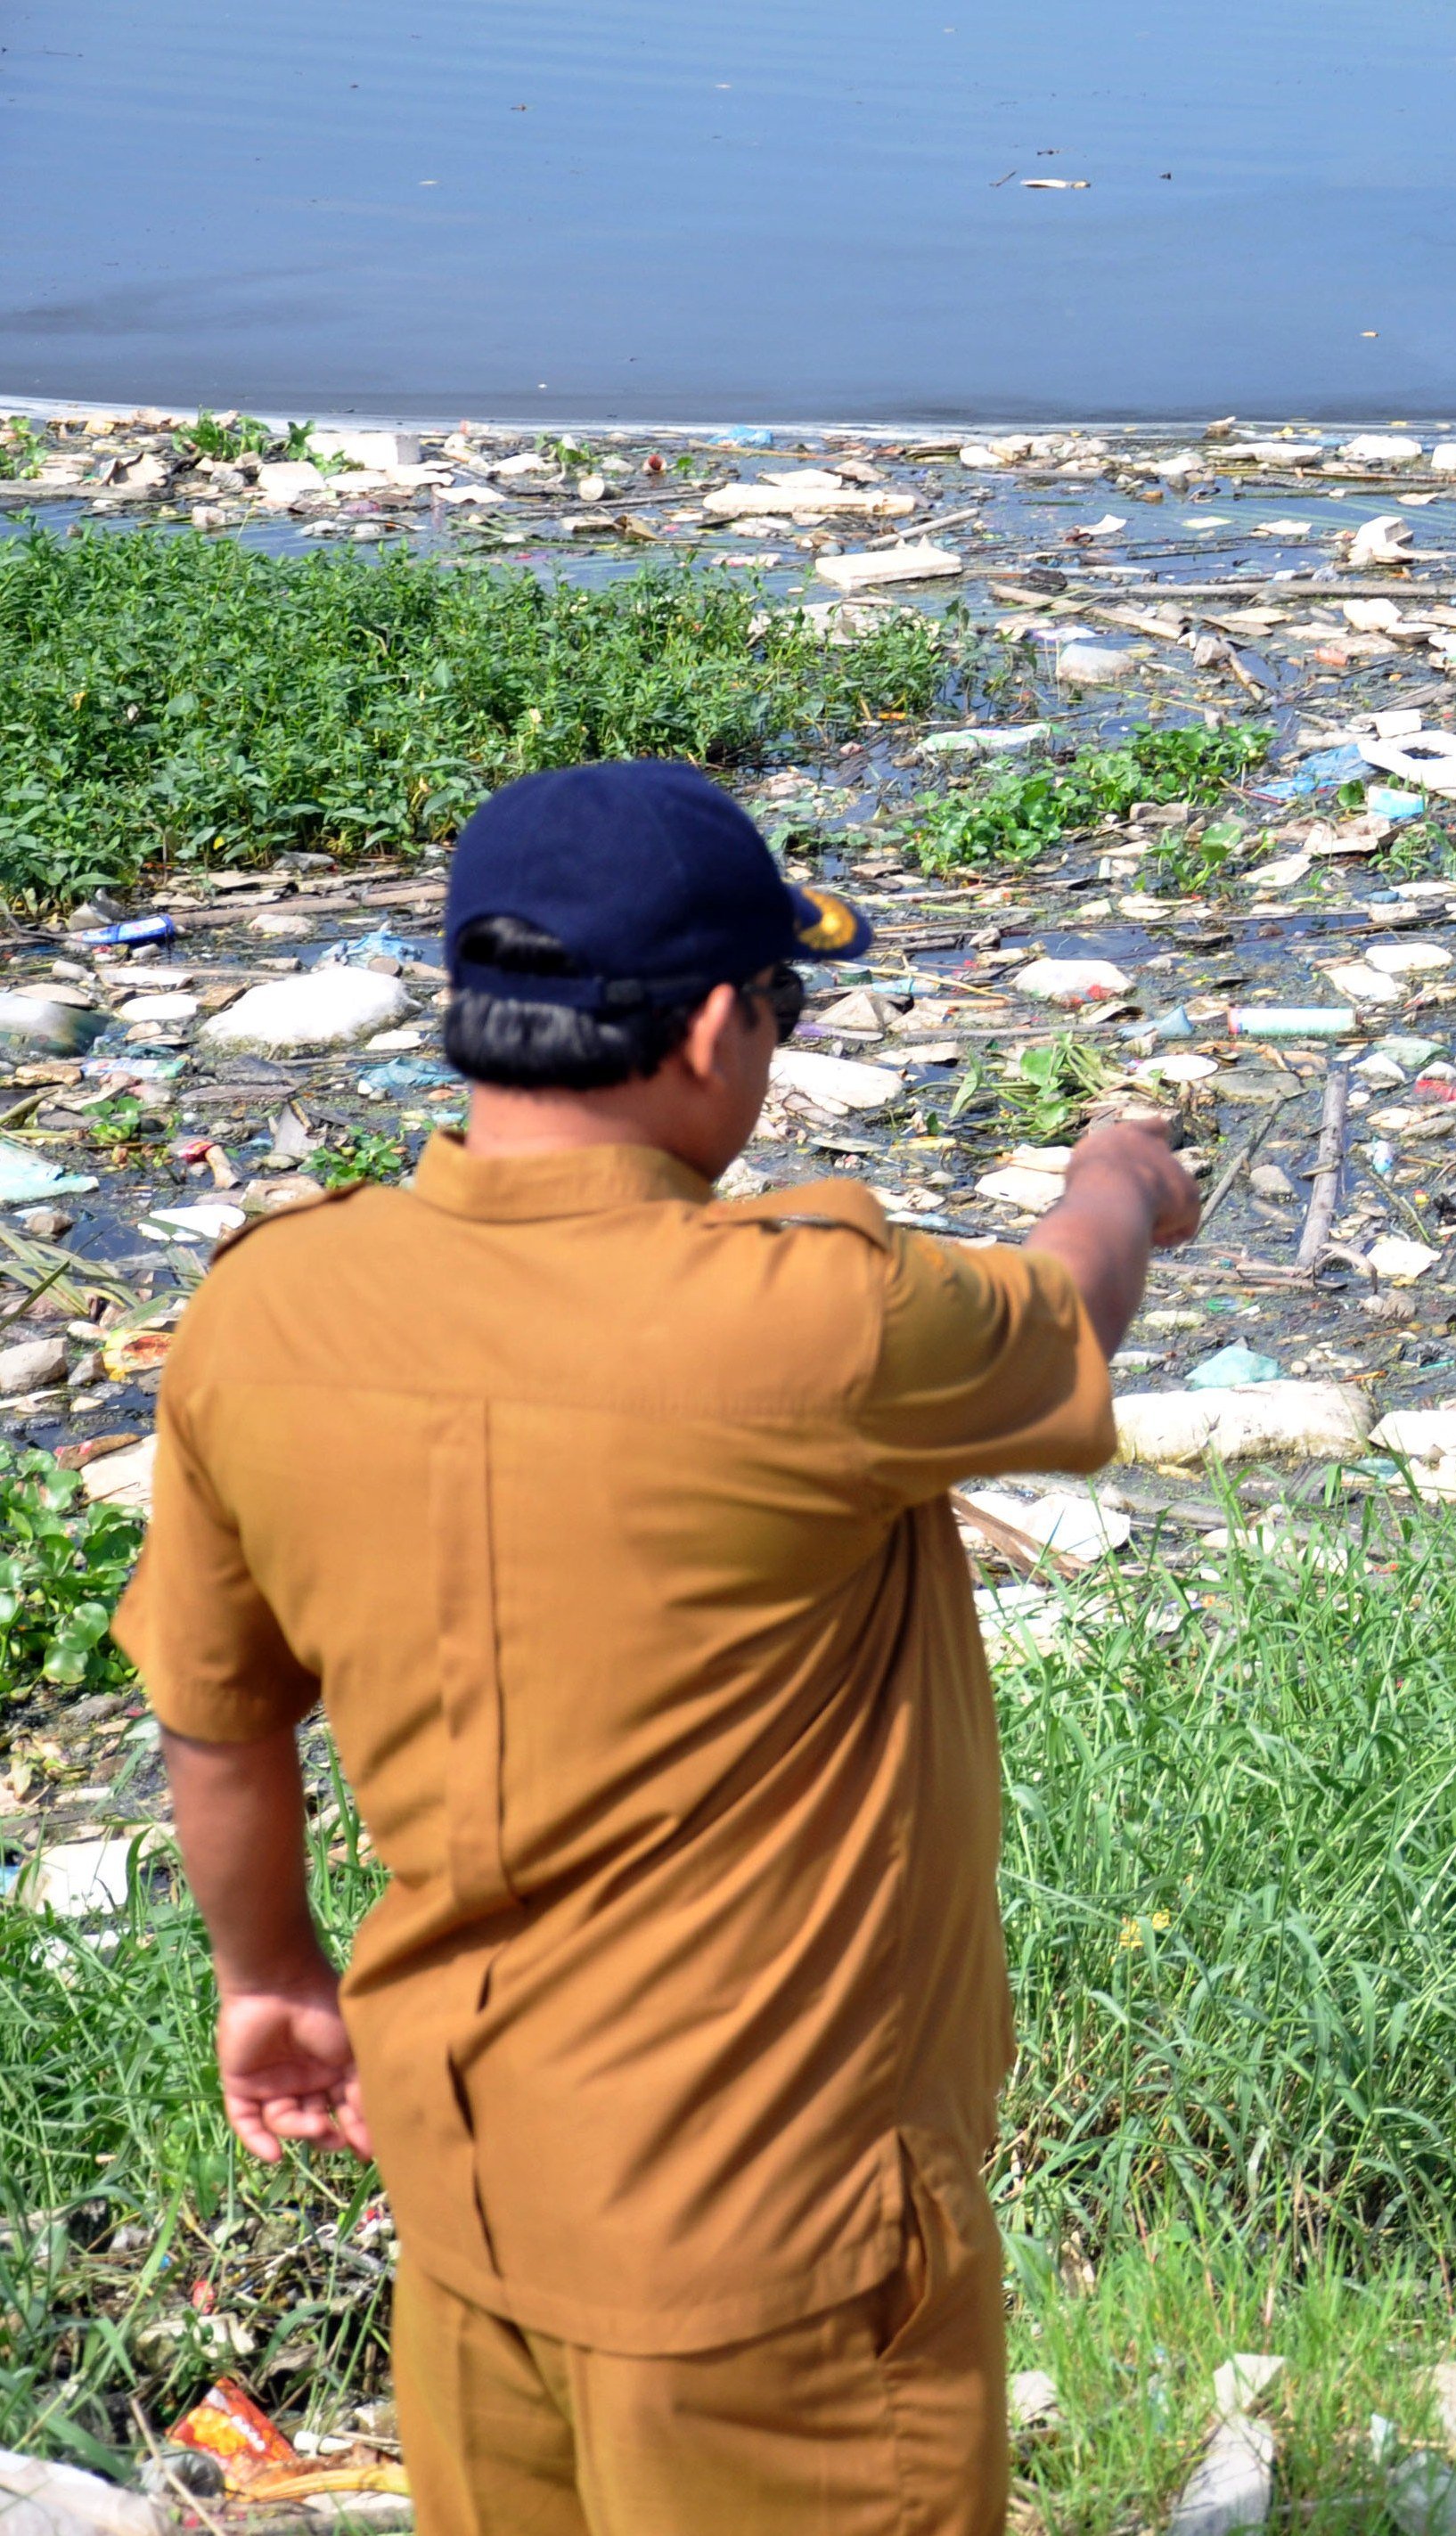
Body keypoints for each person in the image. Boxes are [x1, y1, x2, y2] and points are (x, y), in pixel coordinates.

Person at [115, 759, 1199, 2534]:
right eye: (780, 1005)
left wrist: (270, 1978)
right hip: (779, 2253)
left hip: (470, 2220)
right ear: (710, 1028)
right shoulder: (817, 1325)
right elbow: (1067, 1304)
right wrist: (1121, 1175)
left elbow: (214, 1716)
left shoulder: (265, 1310)